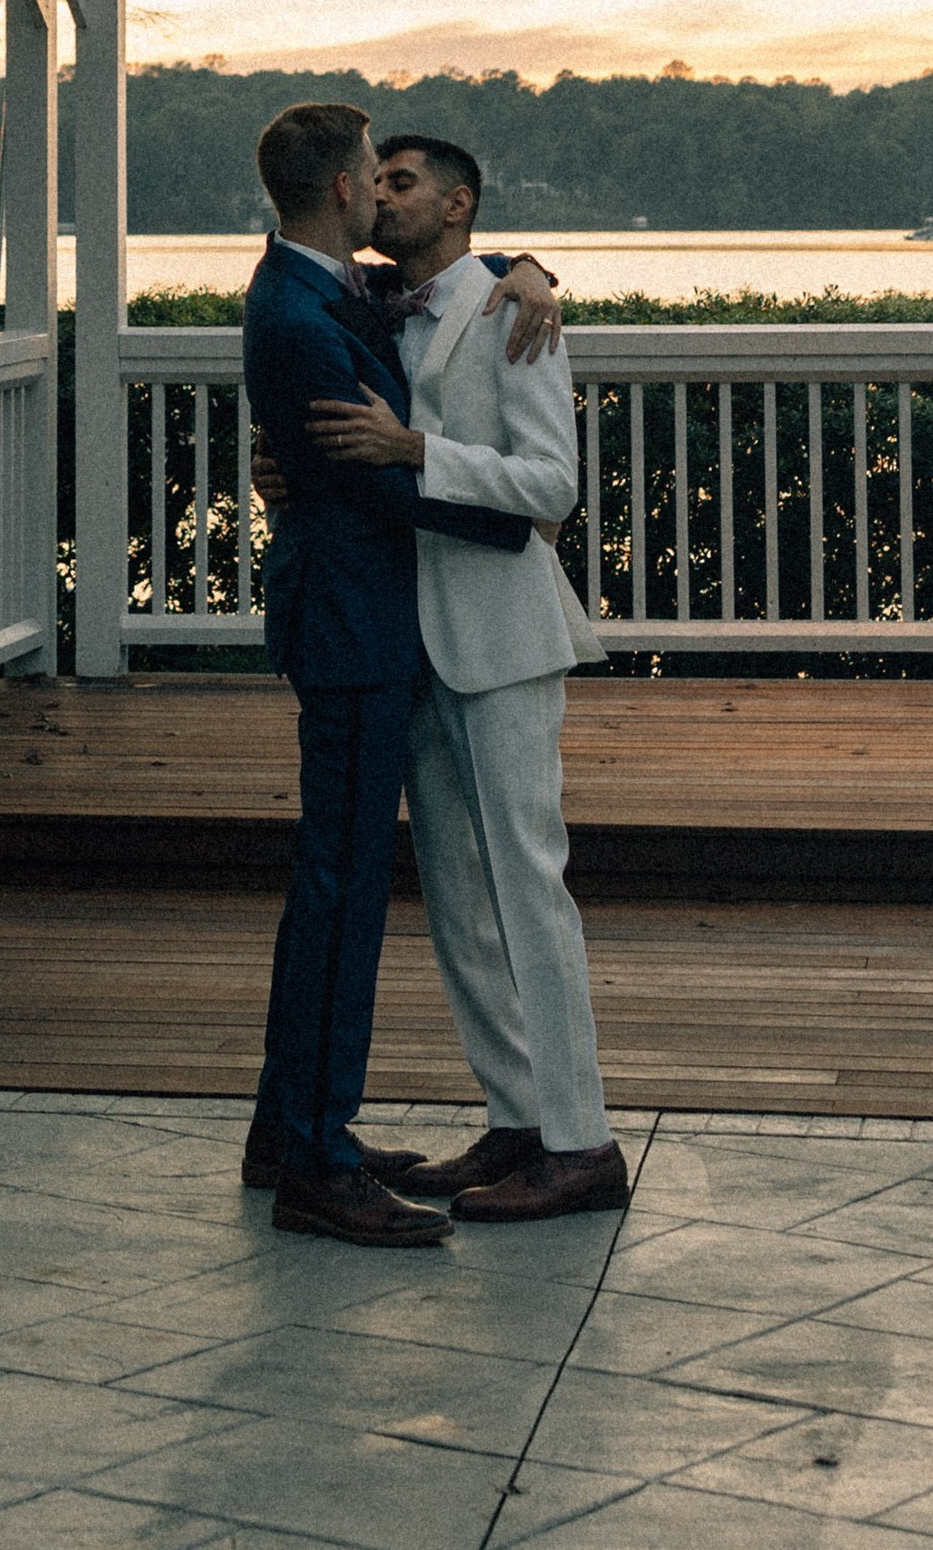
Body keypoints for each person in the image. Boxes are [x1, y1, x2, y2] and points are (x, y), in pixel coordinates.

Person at [301, 132, 628, 1222]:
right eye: (373, 179)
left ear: (457, 203)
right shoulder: (367, 303)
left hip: (500, 636)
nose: (378, 196)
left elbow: (549, 486)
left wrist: (415, 453)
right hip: (409, 640)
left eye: (400, 183)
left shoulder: (511, 310)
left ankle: (580, 1143)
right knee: (455, 897)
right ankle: (516, 1118)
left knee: (526, 886)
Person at [241, 100, 544, 1248]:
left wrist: (525, 263)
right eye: (375, 173)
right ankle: (316, 1161)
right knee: (342, 888)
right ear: (341, 191)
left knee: (336, 880)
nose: (383, 189)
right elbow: (366, 481)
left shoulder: (323, 285)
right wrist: (516, 519)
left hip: (364, 621)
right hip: (354, 629)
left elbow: (454, 264)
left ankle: (287, 1127)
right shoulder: (302, 311)